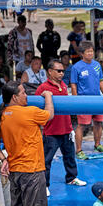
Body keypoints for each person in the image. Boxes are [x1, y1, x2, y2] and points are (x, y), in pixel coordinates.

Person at [35, 60, 87, 197]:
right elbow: (36, 109)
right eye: (59, 71)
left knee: (70, 157)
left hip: (66, 129)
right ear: (50, 72)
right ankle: (44, 185)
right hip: (51, 131)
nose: (62, 73)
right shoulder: (43, 88)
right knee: (46, 161)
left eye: (63, 71)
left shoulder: (63, 85)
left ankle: (71, 178)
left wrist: (70, 128)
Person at [70, 40, 103, 158]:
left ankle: (97, 144)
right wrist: (76, 100)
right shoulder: (76, 67)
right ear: (82, 53)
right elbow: (73, 84)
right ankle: (79, 150)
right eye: (88, 52)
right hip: (83, 100)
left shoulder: (97, 65)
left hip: (98, 100)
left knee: (98, 122)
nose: (90, 54)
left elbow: (101, 80)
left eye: (92, 51)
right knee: (82, 125)